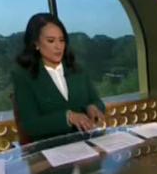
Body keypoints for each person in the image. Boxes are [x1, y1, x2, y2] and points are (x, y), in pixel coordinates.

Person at [12, 13, 105, 141]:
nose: (58, 46)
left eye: (61, 40)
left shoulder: (78, 70)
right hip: (51, 148)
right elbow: (30, 125)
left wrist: (93, 107)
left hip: (87, 142)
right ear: (36, 43)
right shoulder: (23, 76)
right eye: (51, 41)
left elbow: (97, 102)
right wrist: (68, 117)